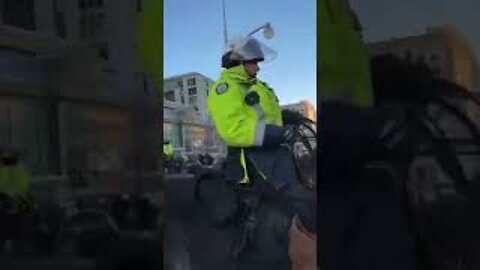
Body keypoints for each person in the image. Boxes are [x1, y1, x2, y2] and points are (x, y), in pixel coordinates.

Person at [318, 0, 416, 269]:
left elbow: (348, 78)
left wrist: (387, 77)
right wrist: (346, 125)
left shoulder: (340, 8)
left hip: (361, 159)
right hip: (327, 170)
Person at [207, 35, 317, 269]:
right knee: (298, 200)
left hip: (276, 153)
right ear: (236, 62)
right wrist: (278, 133)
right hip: (256, 159)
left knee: (295, 201)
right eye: (253, 62)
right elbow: (233, 129)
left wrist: (290, 119)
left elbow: (268, 116)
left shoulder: (257, 86)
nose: (257, 66)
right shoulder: (225, 88)